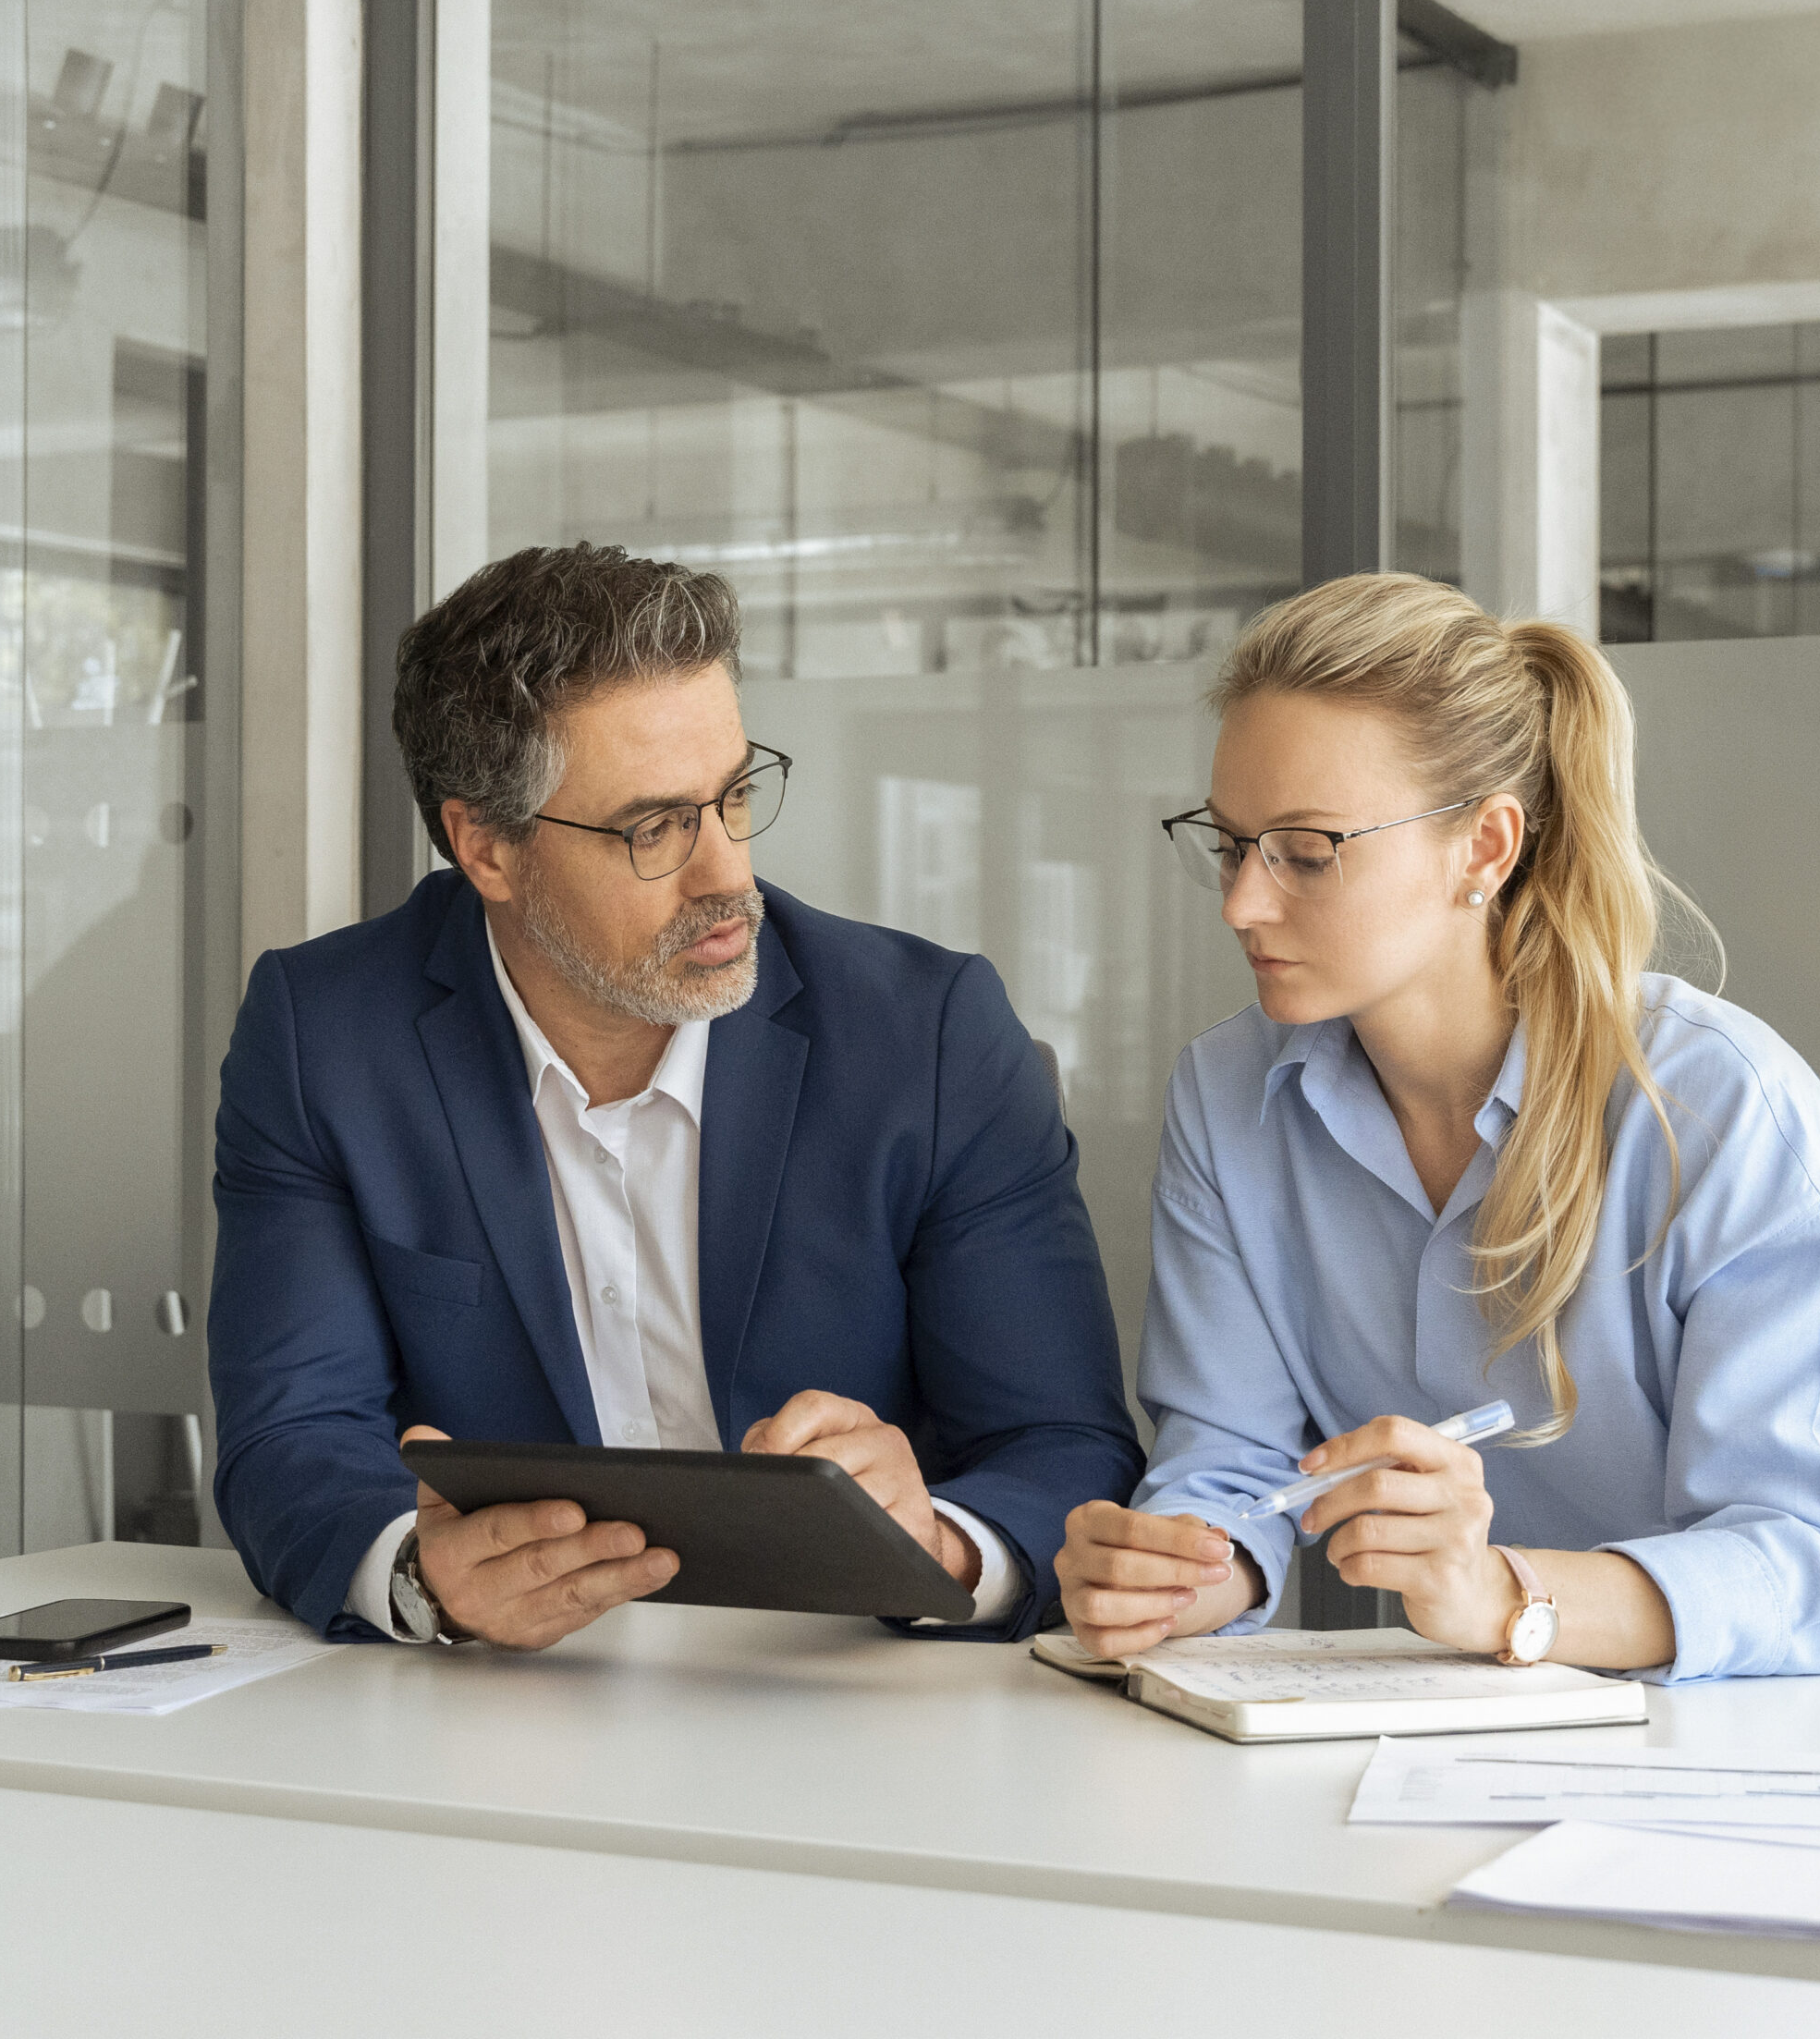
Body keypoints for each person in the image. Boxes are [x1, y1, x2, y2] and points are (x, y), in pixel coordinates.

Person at [1055, 573, 1820, 1682]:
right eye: (1228, 845)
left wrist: (1502, 1594)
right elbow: (1228, 1467)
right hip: (1519, 1692)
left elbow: (1813, 1563)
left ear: (1484, 847)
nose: (1241, 904)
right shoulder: (1227, 1099)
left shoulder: (1719, 1106)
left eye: (1305, 851)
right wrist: (1168, 1573)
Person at [211, 543, 1142, 1648]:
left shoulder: (926, 1037)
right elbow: (291, 1435)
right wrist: (423, 1576)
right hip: (507, 1710)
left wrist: (937, 1541)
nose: (727, 874)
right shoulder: (326, 1036)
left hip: (857, 1693)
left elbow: (1066, 1443)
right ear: (486, 847)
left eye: (735, 795)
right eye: (653, 827)